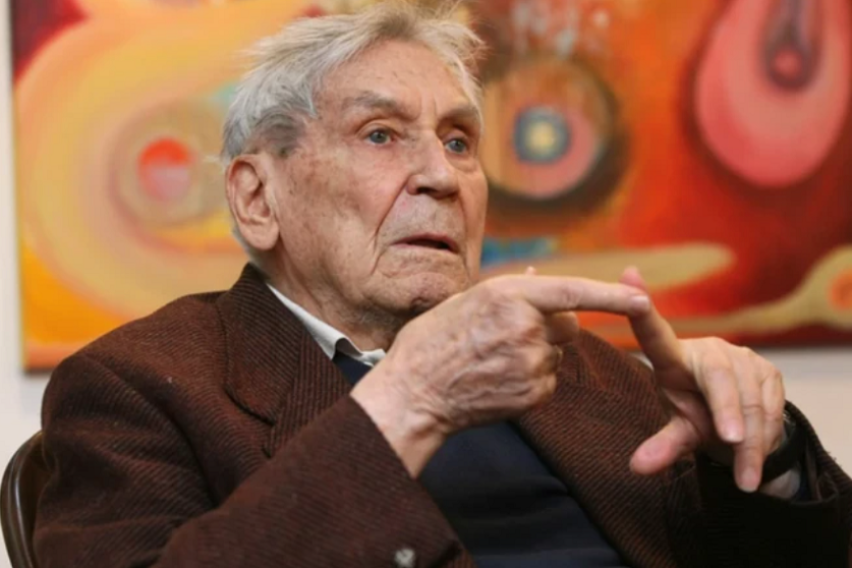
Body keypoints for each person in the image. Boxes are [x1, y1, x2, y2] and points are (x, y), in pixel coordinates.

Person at [34, 3, 851, 567]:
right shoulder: (135, 389)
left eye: (460, 141)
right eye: (380, 134)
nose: (442, 175)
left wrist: (761, 454)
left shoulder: (580, 370)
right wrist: (412, 400)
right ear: (257, 196)